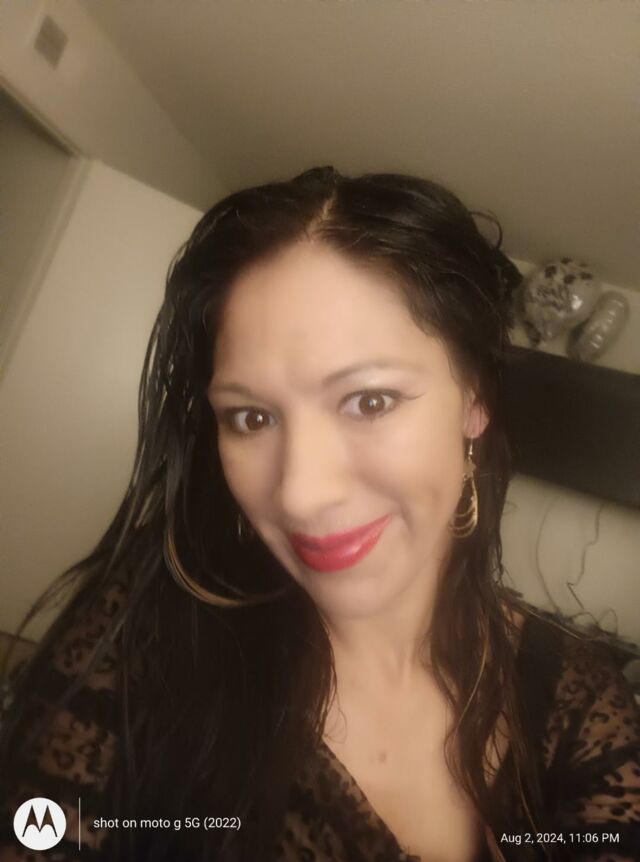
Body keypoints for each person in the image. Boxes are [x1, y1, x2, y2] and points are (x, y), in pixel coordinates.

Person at [0, 167, 638, 862]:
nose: (299, 494)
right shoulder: (146, 635)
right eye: (251, 417)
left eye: (369, 401)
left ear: (474, 402)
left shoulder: (576, 699)